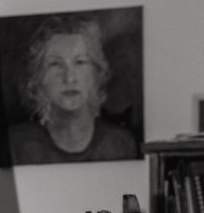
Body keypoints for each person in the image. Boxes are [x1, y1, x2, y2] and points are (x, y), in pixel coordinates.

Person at [8, 15, 139, 164]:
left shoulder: (121, 144)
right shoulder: (16, 145)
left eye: (80, 62)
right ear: (38, 78)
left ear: (96, 73)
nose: (69, 78)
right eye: (55, 64)